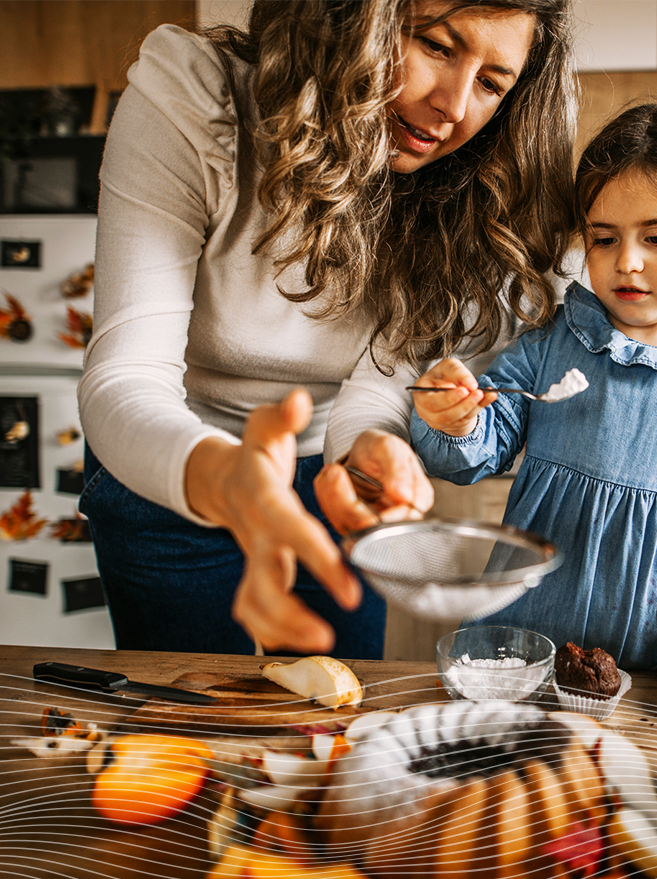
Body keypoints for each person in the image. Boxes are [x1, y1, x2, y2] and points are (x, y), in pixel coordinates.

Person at [77, 0, 577, 657]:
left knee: (334, 727)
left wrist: (369, 446)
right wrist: (232, 481)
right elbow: (125, 378)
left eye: (491, 84)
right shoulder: (196, 99)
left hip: (331, 486)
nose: (453, 107)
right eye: (434, 45)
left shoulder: (465, 190)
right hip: (165, 463)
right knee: (193, 733)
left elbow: (378, 379)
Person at [409, 97, 657, 692]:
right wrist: (453, 419)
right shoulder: (552, 345)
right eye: (603, 239)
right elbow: (472, 453)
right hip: (521, 665)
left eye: (656, 237)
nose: (626, 262)